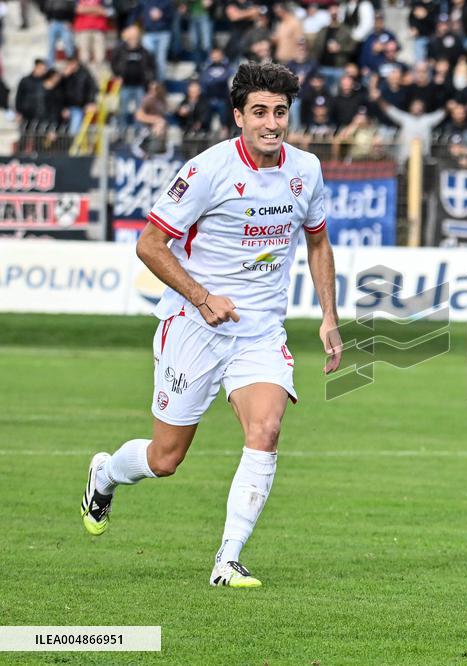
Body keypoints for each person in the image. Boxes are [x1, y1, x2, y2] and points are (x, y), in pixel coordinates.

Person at [79, 62, 344, 588]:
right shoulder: (207, 170)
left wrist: (329, 316)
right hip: (193, 326)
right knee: (165, 458)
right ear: (239, 117)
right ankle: (105, 473)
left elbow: (317, 241)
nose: (272, 123)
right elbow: (149, 245)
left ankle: (228, 559)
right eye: (261, 112)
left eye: (281, 112)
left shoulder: (306, 170)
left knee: (265, 430)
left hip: (260, 331)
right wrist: (201, 297)